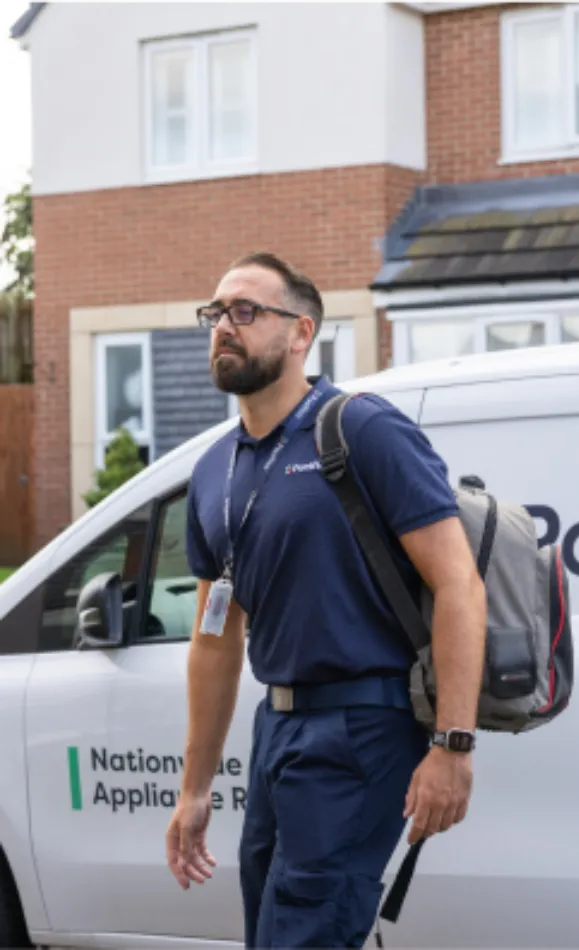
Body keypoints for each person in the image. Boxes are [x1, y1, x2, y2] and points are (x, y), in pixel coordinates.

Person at [166, 251, 487, 949]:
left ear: (301, 332)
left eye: (247, 311)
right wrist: (195, 791)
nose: (225, 325)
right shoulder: (213, 468)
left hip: (363, 726)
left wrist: (453, 745)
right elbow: (216, 641)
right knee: (274, 930)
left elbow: (459, 581)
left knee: (303, 933)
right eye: (216, 312)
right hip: (276, 727)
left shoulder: (361, 428)